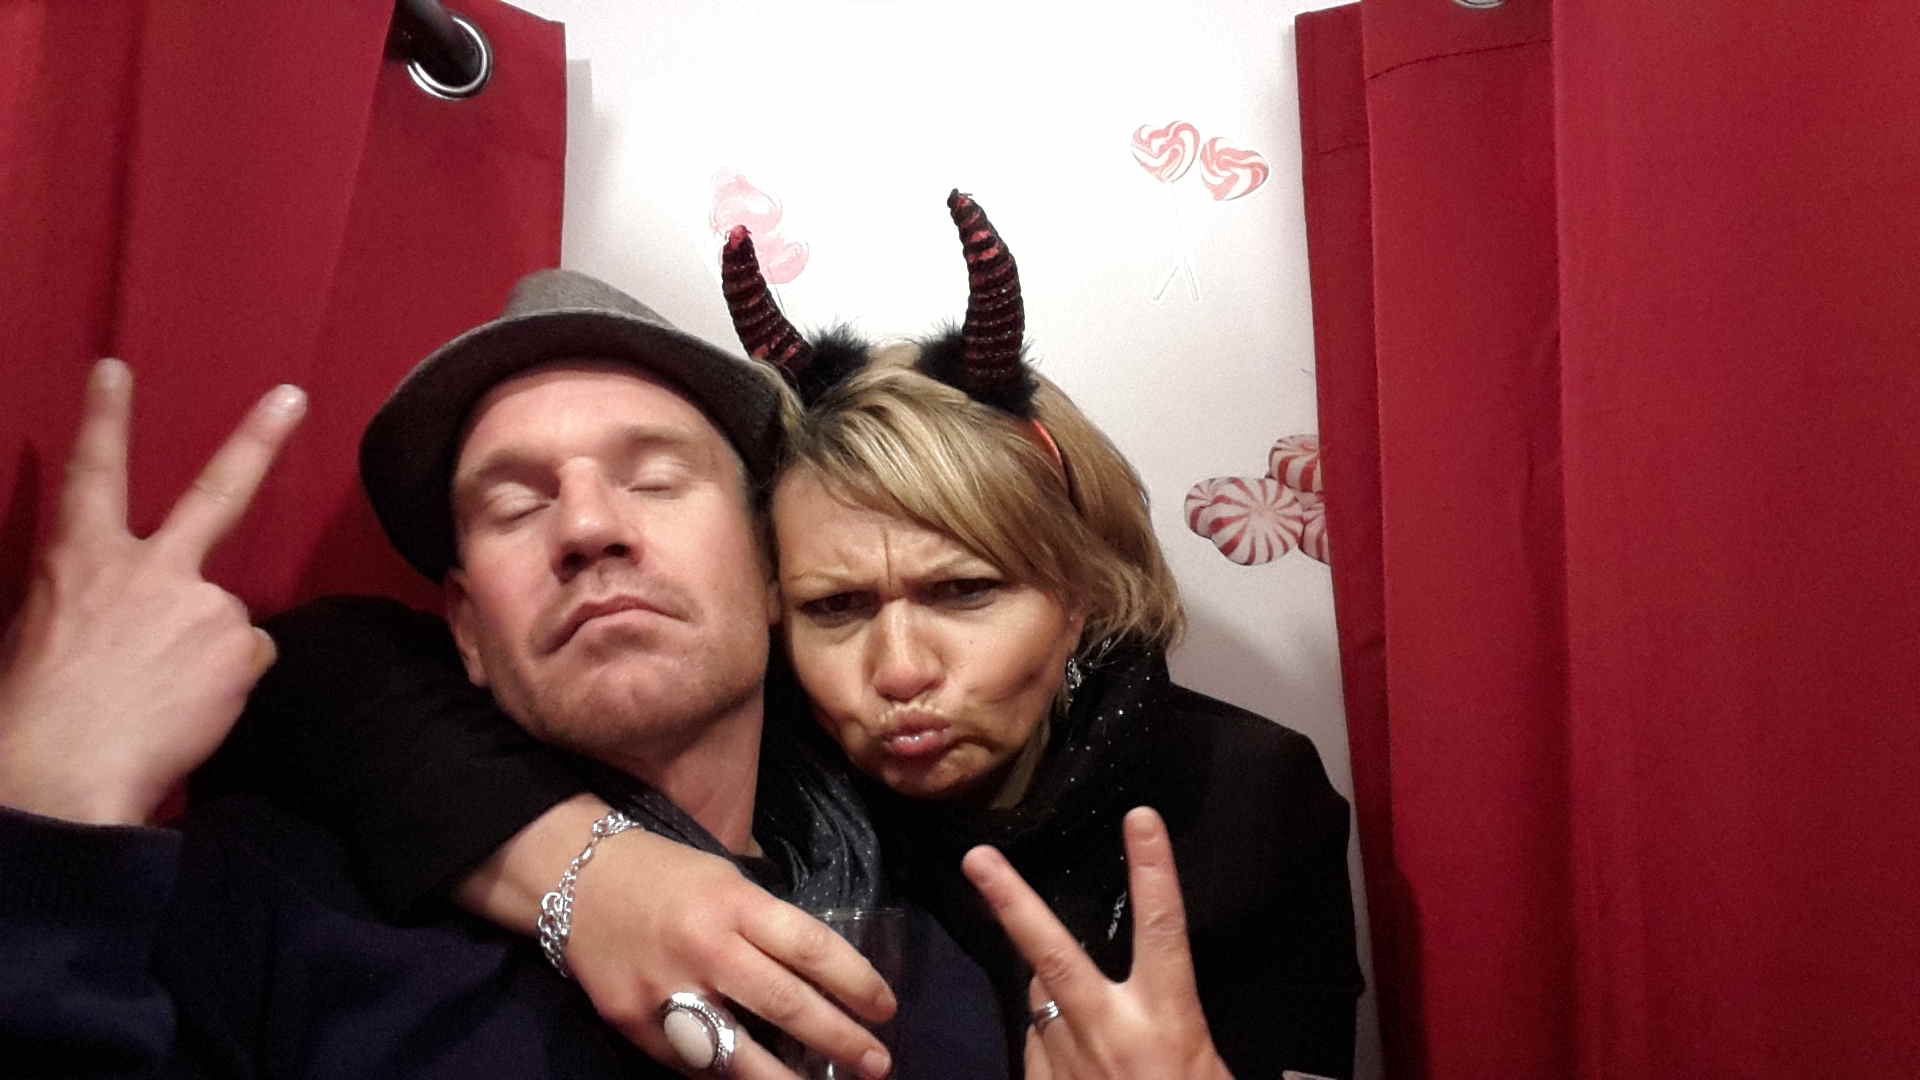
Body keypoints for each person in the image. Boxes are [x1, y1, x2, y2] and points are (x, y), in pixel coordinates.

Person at [218, 193, 1364, 1078]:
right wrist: (588, 874)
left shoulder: (1243, 794)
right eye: (836, 608)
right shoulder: (765, 736)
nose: (899, 672)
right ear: (772, 597)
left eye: (965, 591)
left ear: (1080, 594)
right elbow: (320, 671)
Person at [0, 271, 1008, 1079]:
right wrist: (47, 804)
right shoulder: (270, 901)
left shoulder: (938, 983)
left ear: (773, 576)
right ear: (468, 629)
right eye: (515, 507)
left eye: (655, 479)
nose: (587, 524)